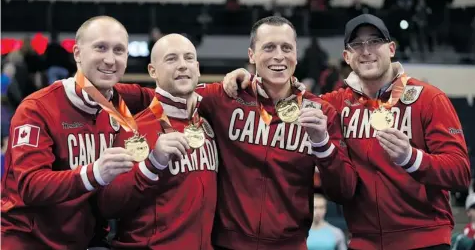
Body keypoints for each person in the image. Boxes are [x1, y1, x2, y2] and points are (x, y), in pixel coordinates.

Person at [222, 14, 470, 250]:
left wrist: (412, 158)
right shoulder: (335, 105)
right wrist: (247, 78)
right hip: (363, 243)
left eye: (375, 41)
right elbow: (286, 95)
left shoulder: (428, 98)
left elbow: (460, 172)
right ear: (346, 56)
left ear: (391, 49)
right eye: (357, 44)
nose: (366, 50)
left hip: (424, 241)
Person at [1, 16, 162, 250]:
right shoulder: (37, 108)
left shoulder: (121, 97)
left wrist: (226, 87)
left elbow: (172, 96)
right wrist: (95, 172)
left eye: (119, 50)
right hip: (29, 241)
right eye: (100, 48)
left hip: (86, 241)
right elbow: (31, 186)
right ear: (77, 53)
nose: (110, 59)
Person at [196, 16, 357, 250]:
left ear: (296, 54)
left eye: (286, 48)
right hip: (227, 244)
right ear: (251, 54)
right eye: (269, 47)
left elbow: (344, 190)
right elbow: (161, 98)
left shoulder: (320, 112)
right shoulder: (225, 97)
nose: (279, 56)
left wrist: (322, 144)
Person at [97, 34, 218, 250]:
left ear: (197, 68)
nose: (182, 66)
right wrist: (152, 164)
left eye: (188, 58)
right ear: (152, 71)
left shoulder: (208, 121)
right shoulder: (135, 130)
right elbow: (108, 205)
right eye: (171, 59)